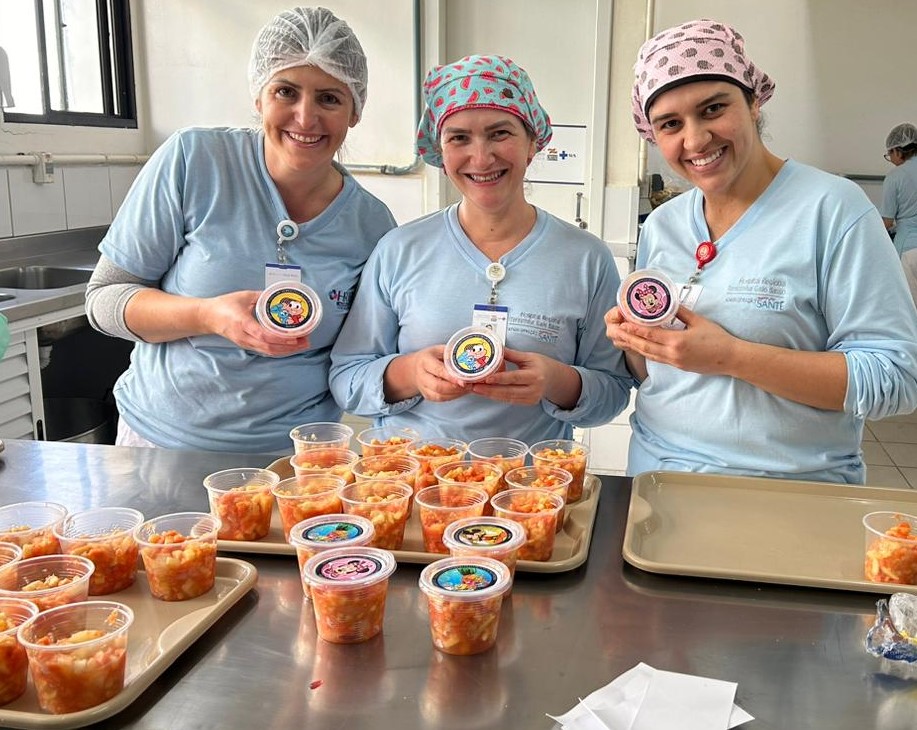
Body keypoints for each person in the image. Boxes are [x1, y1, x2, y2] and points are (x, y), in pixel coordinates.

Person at [605, 19, 917, 483]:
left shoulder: (832, 209)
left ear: (753, 102)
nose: (695, 140)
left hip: (785, 490)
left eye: (713, 109)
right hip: (657, 480)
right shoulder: (664, 224)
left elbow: (895, 378)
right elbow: (657, 375)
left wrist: (731, 356)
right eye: (670, 124)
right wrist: (636, 340)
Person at [85, 7, 396, 451]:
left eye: (329, 98)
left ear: (354, 112)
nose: (305, 117)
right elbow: (104, 300)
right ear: (259, 97)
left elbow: (362, 358)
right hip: (161, 443)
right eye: (286, 91)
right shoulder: (195, 161)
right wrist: (207, 315)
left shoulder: (372, 225)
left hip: (299, 456)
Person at [329, 54, 632, 443]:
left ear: (532, 144)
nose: (481, 157)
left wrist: (555, 381)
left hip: (530, 477)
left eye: (500, 133)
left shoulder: (586, 259)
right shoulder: (399, 250)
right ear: (440, 152)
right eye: (459, 138)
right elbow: (347, 378)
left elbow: (613, 391)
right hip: (410, 474)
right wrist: (411, 374)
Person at [880, 122, 917, 304]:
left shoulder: (895, 176)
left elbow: (886, 222)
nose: (891, 159)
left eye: (890, 154)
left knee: (909, 306)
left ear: (898, 150)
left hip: (910, 250)